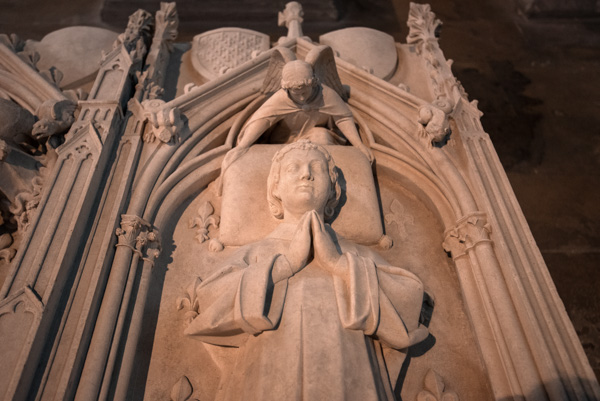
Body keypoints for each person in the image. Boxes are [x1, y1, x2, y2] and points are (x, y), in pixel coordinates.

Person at [185, 140, 428, 401]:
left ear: (333, 188)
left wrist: (339, 264)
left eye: (316, 168)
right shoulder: (257, 251)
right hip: (269, 373)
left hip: (350, 372)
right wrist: (284, 264)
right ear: (275, 187)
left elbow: (410, 301)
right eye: (293, 168)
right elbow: (209, 300)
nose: (306, 174)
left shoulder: (353, 253)